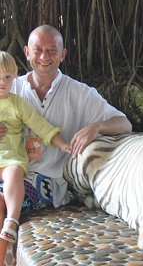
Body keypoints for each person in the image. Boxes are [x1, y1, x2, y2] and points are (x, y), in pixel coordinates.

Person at [0, 23, 131, 240]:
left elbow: (124, 123)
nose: (44, 56)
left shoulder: (79, 93)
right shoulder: (11, 86)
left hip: (47, 181)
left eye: (52, 50)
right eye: (38, 50)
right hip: (7, 169)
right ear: (26, 52)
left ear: (63, 54)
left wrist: (96, 127)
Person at [0, 51, 71, 261]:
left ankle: (12, 222)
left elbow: (41, 127)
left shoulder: (18, 103)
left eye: (7, 77)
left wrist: (63, 144)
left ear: (15, 77)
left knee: (14, 174)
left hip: (11, 160)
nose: (2, 82)